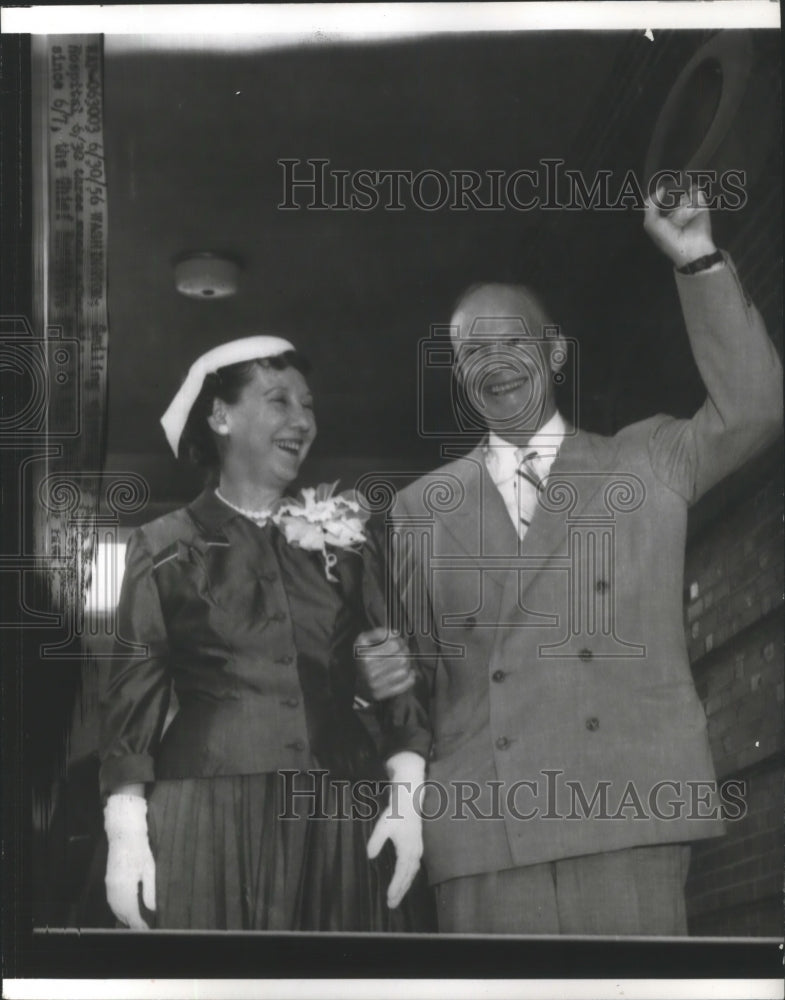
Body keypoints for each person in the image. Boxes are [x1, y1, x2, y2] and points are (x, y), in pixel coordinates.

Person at [363, 189, 783, 933]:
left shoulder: (646, 460)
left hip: (624, 814)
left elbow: (754, 409)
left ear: (553, 352)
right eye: (470, 352)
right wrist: (379, 678)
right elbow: (414, 686)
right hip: (485, 827)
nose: (493, 364)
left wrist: (696, 262)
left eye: (511, 343)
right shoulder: (415, 510)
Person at [99, 335, 431, 931]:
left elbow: (396, 678)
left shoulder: (350, 537)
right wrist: (126, 833)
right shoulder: (163, 543)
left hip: (341, 813)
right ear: (220, 416)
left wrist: (407, 800)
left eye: (309, 406)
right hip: (205, 814)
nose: (302, 420)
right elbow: (134, 697)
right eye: (279, 401)